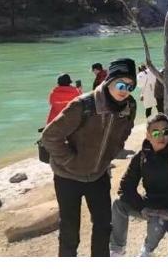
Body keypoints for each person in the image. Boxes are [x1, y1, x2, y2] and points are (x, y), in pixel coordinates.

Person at [42, 58, 138, 257]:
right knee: (70, 231)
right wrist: (70, 161)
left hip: (98, 175)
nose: (125, 90)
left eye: (131, 86)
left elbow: (125, 131)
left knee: (104, 226)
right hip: (67, 176)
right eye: (121, 84)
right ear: (109, 81)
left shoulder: (129, 106)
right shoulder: (83, 105)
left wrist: (112, 153)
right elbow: (50, 137)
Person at [110, 114, 168, 257]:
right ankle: (117, 250)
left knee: (158, 220)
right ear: (148, 135)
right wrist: (142, 207)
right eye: (156, 133)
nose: (161, 136)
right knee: (118, 204)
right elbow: (125, 186)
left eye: (165, 132)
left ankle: (147, 251)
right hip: (152, 205)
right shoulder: (142, 156)